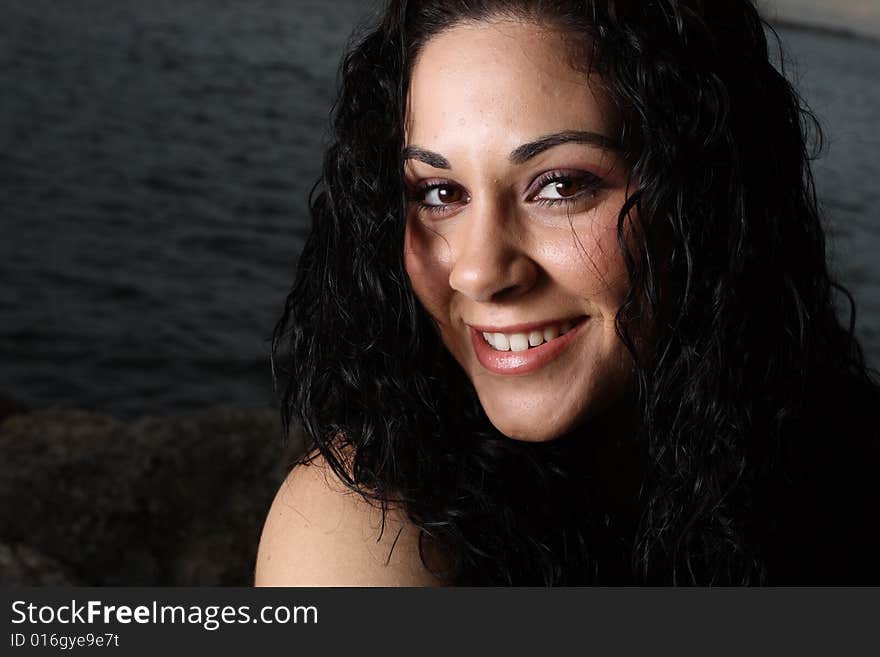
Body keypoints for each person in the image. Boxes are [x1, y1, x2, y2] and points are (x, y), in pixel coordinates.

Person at [255, 0, 880, 586]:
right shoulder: (360, 529)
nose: (478, 272)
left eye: (559, 186)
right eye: (440, 193)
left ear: (705, 198)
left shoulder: (837, 462)